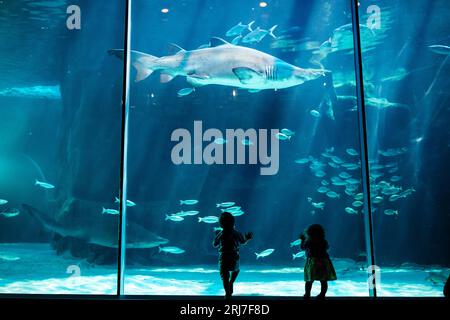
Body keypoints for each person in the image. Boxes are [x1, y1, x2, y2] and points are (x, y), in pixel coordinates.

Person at [213, 212, 253, 299]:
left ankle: (227, 293)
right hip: (234, 257)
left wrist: (216, 236)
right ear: (233, 223)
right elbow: (243, 242)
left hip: (223, 258)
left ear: (221, 224)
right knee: (236, 270)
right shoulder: (236, 233)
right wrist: (248, 238)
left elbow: (215, 244)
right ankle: (231, 282)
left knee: (224, 276)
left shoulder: (221, 233)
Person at [299, 224, 337, 299]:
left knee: (309, 280)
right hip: (324, 261)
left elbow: (303, 248)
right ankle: (322, 295)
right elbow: (327, 247)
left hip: (313, 262)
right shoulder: (323, 241)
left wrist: (303, 240)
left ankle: (307, 294)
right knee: (323, 280)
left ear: (309, 232)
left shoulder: (309, 241)